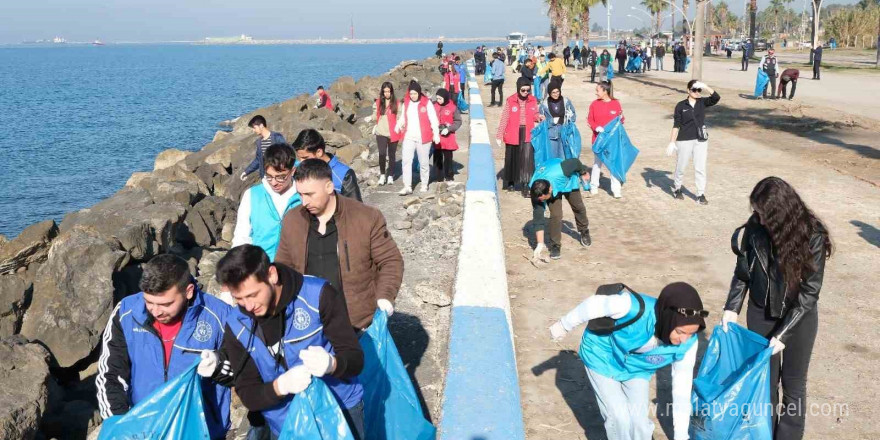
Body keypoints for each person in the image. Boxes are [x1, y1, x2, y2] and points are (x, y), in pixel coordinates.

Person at [202, 244, 365, 439]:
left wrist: (333, 364)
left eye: (253, 294)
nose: (249, 305)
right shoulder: (236, 325)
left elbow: (355, 359)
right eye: (239, 299)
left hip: (340, 410)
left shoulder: (319, 295)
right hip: (286, 424)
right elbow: (248, 392)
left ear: (271, 275)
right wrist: (280, 386)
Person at [721, 177, 831, 440]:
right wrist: (732, 307)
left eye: (763, 214)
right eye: (755, 212)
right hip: (761, 313)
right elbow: (743, 272)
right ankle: (763, 435)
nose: (758, 218)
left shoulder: (812, 236)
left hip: (799, 319)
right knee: (765, 385)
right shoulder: (754, 228)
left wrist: (782, 335)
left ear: (780, 214)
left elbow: (809, 294)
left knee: (793, 387)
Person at [548, 282, 707, 440]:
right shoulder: (634, 307)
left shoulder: (688, 345)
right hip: (602, 356)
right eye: (680, 332)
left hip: (637, 369)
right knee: (619, 417)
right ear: (668, 318)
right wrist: (563, 325)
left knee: (640, 422)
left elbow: (682, 392)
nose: (684, 339)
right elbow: (594, 304)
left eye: (691, 333)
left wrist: (681, 437)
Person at [98, 254, 232, 440]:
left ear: (189, 291)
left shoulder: (220, 316)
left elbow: (243, 370)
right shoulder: (126, 312)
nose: (156, 311)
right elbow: (110, 375)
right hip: (143, 430)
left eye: (166, 304)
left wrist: (217, 364)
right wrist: (121, 425)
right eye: (149, 302)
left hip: (202, 430)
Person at [274, 159, 403, 330]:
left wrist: (385, 296)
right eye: (300, 194)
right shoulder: (292, 220)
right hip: (308, 320)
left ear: (329, 187)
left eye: (310, 194)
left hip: (357, 321)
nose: (304, 202)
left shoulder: (367, 217)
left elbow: (390, 261)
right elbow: (283, 266)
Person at [232, 143, 302, 261]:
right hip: (260, 267)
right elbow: (241, 236)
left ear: (293, 171)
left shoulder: (303, 196)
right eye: (269, 176)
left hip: (295, 269)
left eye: (280, 177)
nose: (274, 182)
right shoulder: (252, 194)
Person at [667, 80, 720, 205]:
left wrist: (706, 86)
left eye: (698, 90)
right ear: (688, 90)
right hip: (684, 139)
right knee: (681, 166)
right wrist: (671, 142)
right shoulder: (681, 105)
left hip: (700, 140)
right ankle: (677, 188)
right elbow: (676, 125)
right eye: (694, 90)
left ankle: (700, 194)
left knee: (700, 168)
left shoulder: (702, 102)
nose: (697, 92)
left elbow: (716, 98)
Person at [529, 158, 591, 260]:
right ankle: (555, 245)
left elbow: (575, 162)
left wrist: (583, 172)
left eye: (544, 199)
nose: (542, 202)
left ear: (550, 190)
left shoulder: (564, 169)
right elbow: (538, 218)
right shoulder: (536, 191)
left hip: (567, 180)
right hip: (551, 185)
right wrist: (540, 244)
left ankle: (584, 230)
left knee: (578, 207)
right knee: (556, 215)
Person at [496, 77, 543, 196]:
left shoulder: (532, 100)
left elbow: (534, 114)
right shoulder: (511, 100)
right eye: (523, 90)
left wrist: (539, 117)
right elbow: (505, 118)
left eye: (528, 90)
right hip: (512, 132)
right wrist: (499, 135)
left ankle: (526, 184)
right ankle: (511, 182)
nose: (526, 93)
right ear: (518, 89)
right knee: (513, 157)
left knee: (527, 159)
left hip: (527, 132)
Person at [393, 80, 440, 195]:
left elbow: (433, 119)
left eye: (415, 93)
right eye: (411, 94)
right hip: (409, 136)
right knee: (406, 161)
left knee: (423, 162)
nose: (413, 96)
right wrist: (398, 126)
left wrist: (436, 134)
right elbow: (403, 117)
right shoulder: (407, 103)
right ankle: (407, 186)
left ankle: (424, 184)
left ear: (419, 93)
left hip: (423, 137)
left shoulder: (426, 103)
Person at [291, 129, 363, 202]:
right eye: (299, 158)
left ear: (319, 152)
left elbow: (356, 208)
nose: (301, 162)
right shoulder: (299, 171)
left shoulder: (343, 174)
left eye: (305, 158)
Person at [587, 81, 625, 199]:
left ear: (605, 91)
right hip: (598, 140)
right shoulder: (594, 104)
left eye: (598, 90)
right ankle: (593, 185)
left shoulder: (616, 103)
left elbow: (620, 120)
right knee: (597, 164)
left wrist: (621, 118)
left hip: (612, 141)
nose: (596, 93)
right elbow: (590, 120)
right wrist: (595, 127)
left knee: (613, 164)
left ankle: (616, 189)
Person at [370, 81, 402, 185]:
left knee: (392, 155)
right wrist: (371, 117)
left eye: (388, 91)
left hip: (393, 133)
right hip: (381, 132)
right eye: (385, 92)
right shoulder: (378, 102)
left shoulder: (396, 103)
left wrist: (399, 126)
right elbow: (375, 115)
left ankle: (391, 176)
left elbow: (400, 117)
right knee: (382, 154)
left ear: (391, 92)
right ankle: (383, 175)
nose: (386, 94)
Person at [539, 80, 576, 160]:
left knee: (564, 158)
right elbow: (541, 123)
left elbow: (573, 116)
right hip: (551, 136)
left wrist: (569, 121)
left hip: (564, 134)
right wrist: (552, 121)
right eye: (553, 92)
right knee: (552, 159)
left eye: (557, 91)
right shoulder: (544, 105)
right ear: (549, 93)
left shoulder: (566, 101)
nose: (556, 94)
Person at [242, 115, 286, 180]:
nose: (254, 130)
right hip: (265, 177)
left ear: (261, 126)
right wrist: (246, 172)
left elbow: (286, 154)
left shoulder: (277, 137)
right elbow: (258, 160)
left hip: (279, 176)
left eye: (254, 128)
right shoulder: (259, 142)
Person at [433, 88, 462, 182]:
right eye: (437, 98)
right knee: (437, 157)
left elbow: (458, 121)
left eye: (440, 99)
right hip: (437, 136)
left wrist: (449, 129)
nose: (438, 101)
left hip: (448, 137)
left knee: (448, 158)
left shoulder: (453, 107)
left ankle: (449, 175)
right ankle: (439, 177)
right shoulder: (434, 106)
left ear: (445, 98)